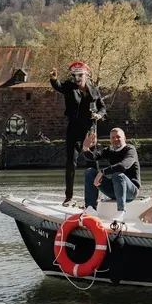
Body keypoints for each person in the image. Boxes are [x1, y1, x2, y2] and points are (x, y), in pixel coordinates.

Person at [50, 62, 106, 206]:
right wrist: (54, 79)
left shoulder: (94, 90)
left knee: (93, 162)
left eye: (80, 75)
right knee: (71, 162)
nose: (77, 78)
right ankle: (69, 197)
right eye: (75, 75)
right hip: (74, 128)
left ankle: (95, 196)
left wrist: (99, 115)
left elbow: (102, 108)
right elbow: (58, 86)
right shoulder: (69, 87)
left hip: (90, 129)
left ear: (86, 75)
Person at [82, 128, 140, 222]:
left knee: (118, 175)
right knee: (90, 172)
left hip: (131, 191)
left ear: (124, 138)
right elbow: (93, 157)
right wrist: (85, 147)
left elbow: (123, 166)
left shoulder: (130, 149)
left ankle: (121, 211)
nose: (115, 139)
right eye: (113, 137)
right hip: (114, 190)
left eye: (118, 137)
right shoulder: (110, 150)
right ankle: (90, 208)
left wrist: (102, 172)